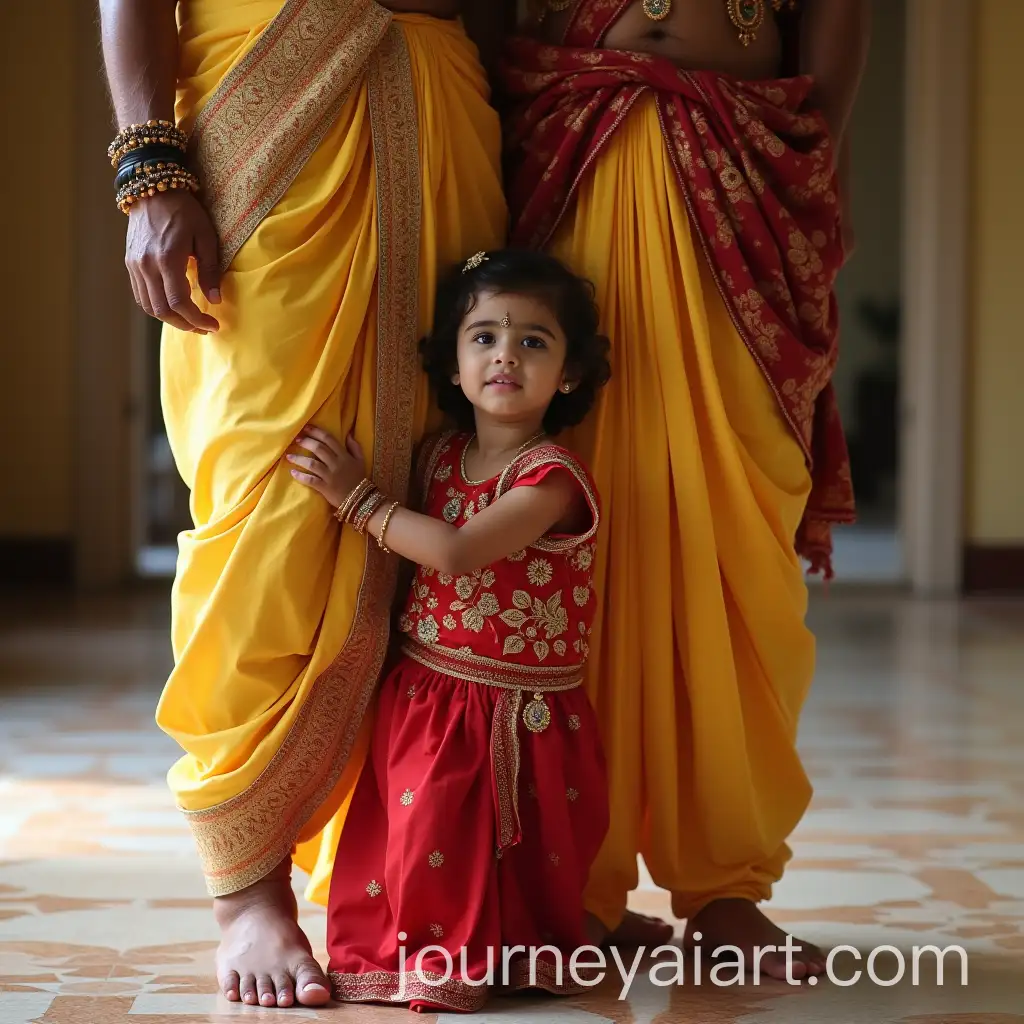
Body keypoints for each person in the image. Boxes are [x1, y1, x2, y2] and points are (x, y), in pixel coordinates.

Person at [99, 0, 509, 1008]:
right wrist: (149, 167)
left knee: (438, 469)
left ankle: (410, 869)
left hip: (444, 95)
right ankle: (249, 883)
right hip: (270, 100)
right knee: (265, 498)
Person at [501, 0, 869, 979]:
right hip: (574, 147)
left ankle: (727, 894)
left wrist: (801, 159)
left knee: (736, 542)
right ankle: (574, 882)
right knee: (578, 531)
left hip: (744, 166)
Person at [286, 249, 612, 1011]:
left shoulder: (551, 478)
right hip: (426, 695)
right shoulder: (436, 455)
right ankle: (406, 958)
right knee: (414, 834)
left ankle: (486, 961)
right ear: (455, 365)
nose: (505, 354)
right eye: (485, 337)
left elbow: (460, 554)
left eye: (534, 341)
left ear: (567, 374)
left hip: (516, 714)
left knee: (508, 851)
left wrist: (353, 499)